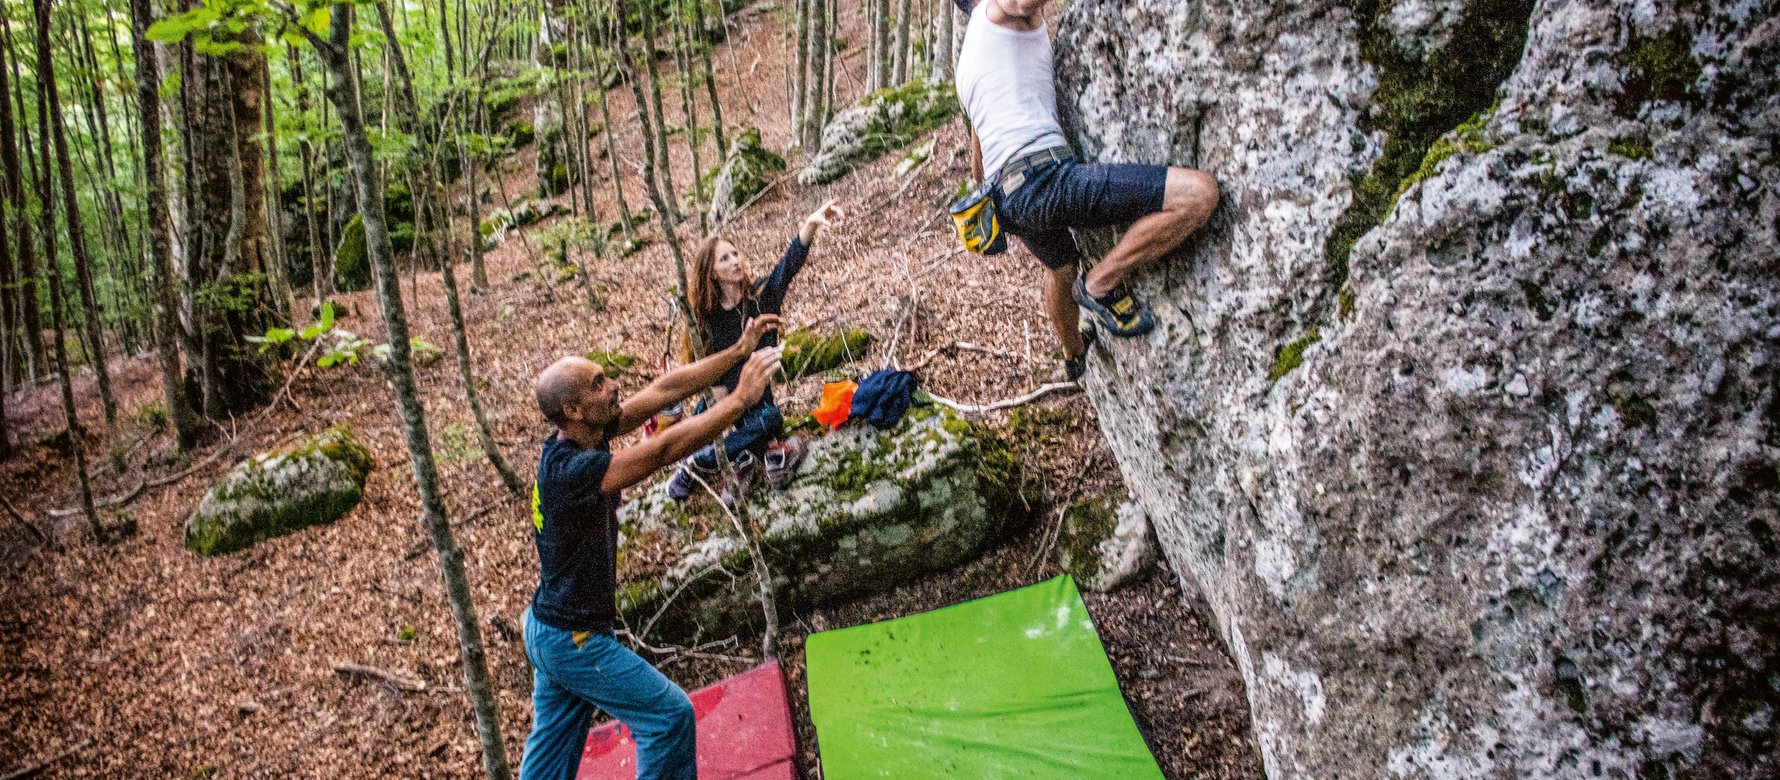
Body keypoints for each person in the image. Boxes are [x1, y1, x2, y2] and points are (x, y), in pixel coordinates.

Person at [521, 320, 784, 780]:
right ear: (573, 409)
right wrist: (740, 400)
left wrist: (738, 350)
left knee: (547, 765)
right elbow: (660, 452)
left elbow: (665, 388)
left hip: (547, 631)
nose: (612, 386)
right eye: (598, 384)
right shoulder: (573, 471)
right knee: (668, 718)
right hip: (573, 639)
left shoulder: (581, 434)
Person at [953, 0, 1220, 380]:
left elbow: (978, 162)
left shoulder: (970, 60)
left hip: (1009, 199)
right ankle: (1099, 285)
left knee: (1059, 270)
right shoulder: (995, 11)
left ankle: (1073, 356)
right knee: (1199, 195)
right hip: (1042, 179)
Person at [666, 198, 845, 499]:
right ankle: (731, 456)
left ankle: (701, 462)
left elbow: (788, 266)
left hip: (756, 404)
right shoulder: (705, 322)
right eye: (724, 259)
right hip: (723, 401)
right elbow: (714, 387)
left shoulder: (761, 298)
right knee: (700, 418)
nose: (735, 261)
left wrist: (811, 223)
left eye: (735, 254)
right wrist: (719, 422)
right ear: (711, 273)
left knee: (771, 419)